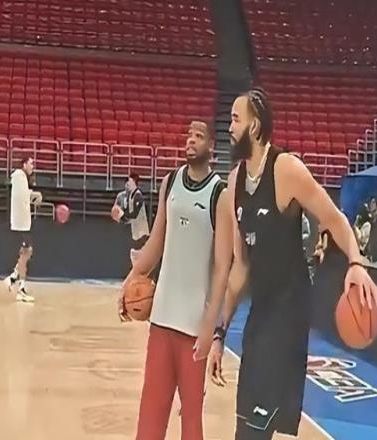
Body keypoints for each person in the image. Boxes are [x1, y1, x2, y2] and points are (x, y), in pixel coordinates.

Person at [207, 87, 377, 439]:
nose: (229, 127)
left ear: (255, 126)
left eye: (236, 119)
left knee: (253, 431)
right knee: (246, 426)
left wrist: (356, 264)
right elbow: (241, 267)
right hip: (260, 317)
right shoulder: (236, 181)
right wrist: (219, 334)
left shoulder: (285, 169)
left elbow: (334, 219)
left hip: (287, 317)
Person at [118, 120, 233, 440]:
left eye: (198, 136)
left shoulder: (220, 194)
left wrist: (211, 326)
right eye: (188, 135)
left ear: (211, 147)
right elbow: (155, 242)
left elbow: (222, 267)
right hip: (162, 319)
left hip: (194, 328)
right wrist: (130, 280)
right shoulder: (169, 182)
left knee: (191, 421)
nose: (190, 140)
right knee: (150, 418)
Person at [4, 156, 42, 303]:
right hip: (20, 223)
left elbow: (23, 196)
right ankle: (20, 288)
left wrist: (32, 196)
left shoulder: (22, 178)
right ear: (24, 164)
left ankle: (14, 277)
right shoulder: (19, 176)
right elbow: (21, 196)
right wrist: (34, 195)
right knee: (25, 253)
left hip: (23, 223)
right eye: (31, 163)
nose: (33, 166)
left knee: (26, 252)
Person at [111, 172, 151, 261]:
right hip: (125, 229)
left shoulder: (138, 196)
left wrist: (123, 215)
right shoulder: (121, 196)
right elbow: (114, 210)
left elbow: (134, 215)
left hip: (138, 229)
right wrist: (116, 212)